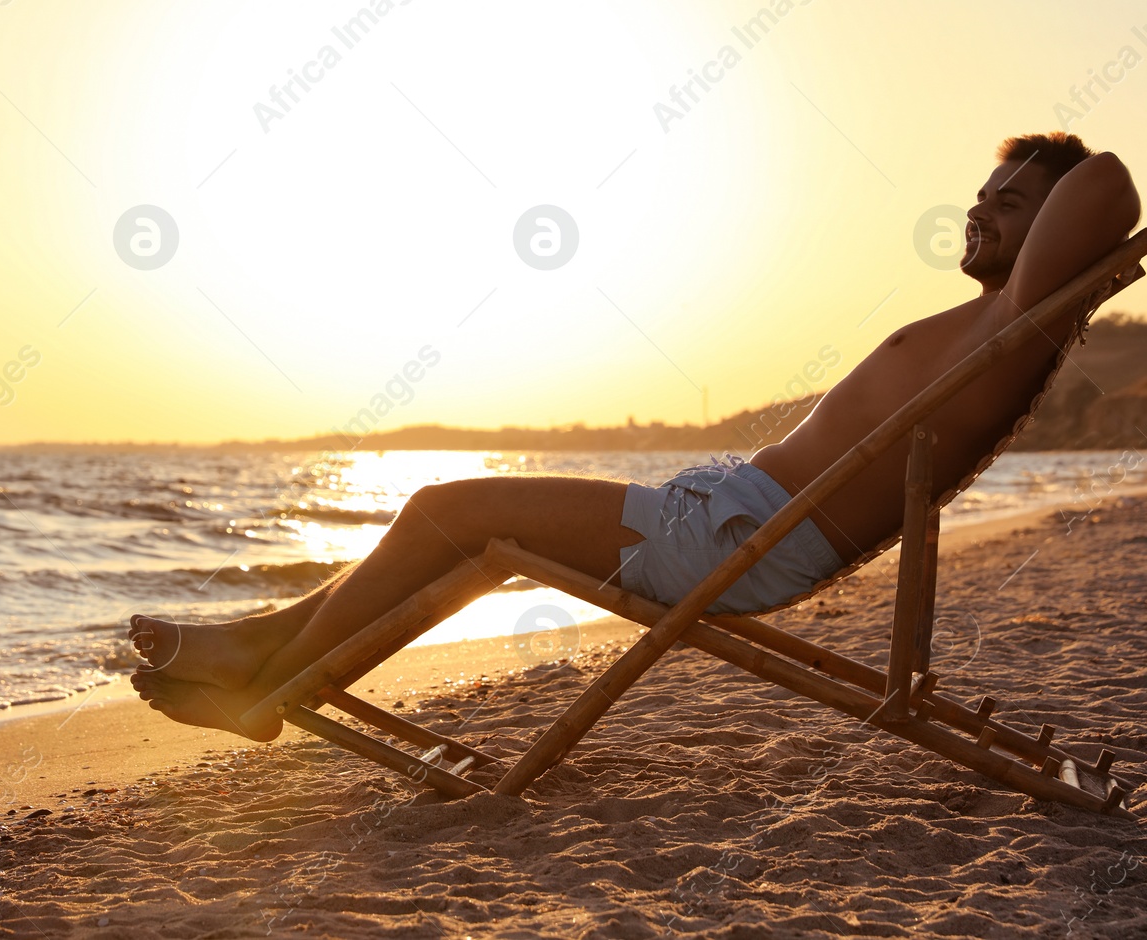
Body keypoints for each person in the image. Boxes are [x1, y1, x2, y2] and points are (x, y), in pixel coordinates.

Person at [131, 132, 1141, 742]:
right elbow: (1078, 195)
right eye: (979, 195)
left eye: (1007, 203)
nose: (975, 210)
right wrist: (1026, 187)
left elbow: (1105, 182)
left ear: (1055, 229)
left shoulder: (1017, 319)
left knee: (445, 507)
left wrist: (1049, 167)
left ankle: (264, 681)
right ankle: (261, 648)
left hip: (735, 535)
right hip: (731, 518)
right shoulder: (1001, 322)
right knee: (470, 541)